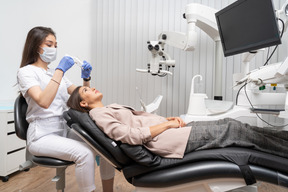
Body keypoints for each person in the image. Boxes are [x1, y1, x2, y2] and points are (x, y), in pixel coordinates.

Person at [67, 86, 288, 159]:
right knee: (234, 130)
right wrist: (167, 126)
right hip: (169, 141)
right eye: (87, 90)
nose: (92, 87)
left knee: (230, 122)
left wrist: (166, 119)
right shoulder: (99, 115)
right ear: (84, 103)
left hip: (171, 132)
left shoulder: (105, 109)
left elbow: (137, 122)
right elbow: (129, 135)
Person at [17, 26, 115, 192]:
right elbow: (43, 101)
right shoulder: (26, 72)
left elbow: (80, 97)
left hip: (64, 131)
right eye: (49, 44)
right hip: (42, 135)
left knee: (106, 145)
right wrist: (60, 70)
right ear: (36, 45)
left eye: (55, 45)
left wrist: (86, 79)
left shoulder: (57, 75)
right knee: (84, 154)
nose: (53, 49)